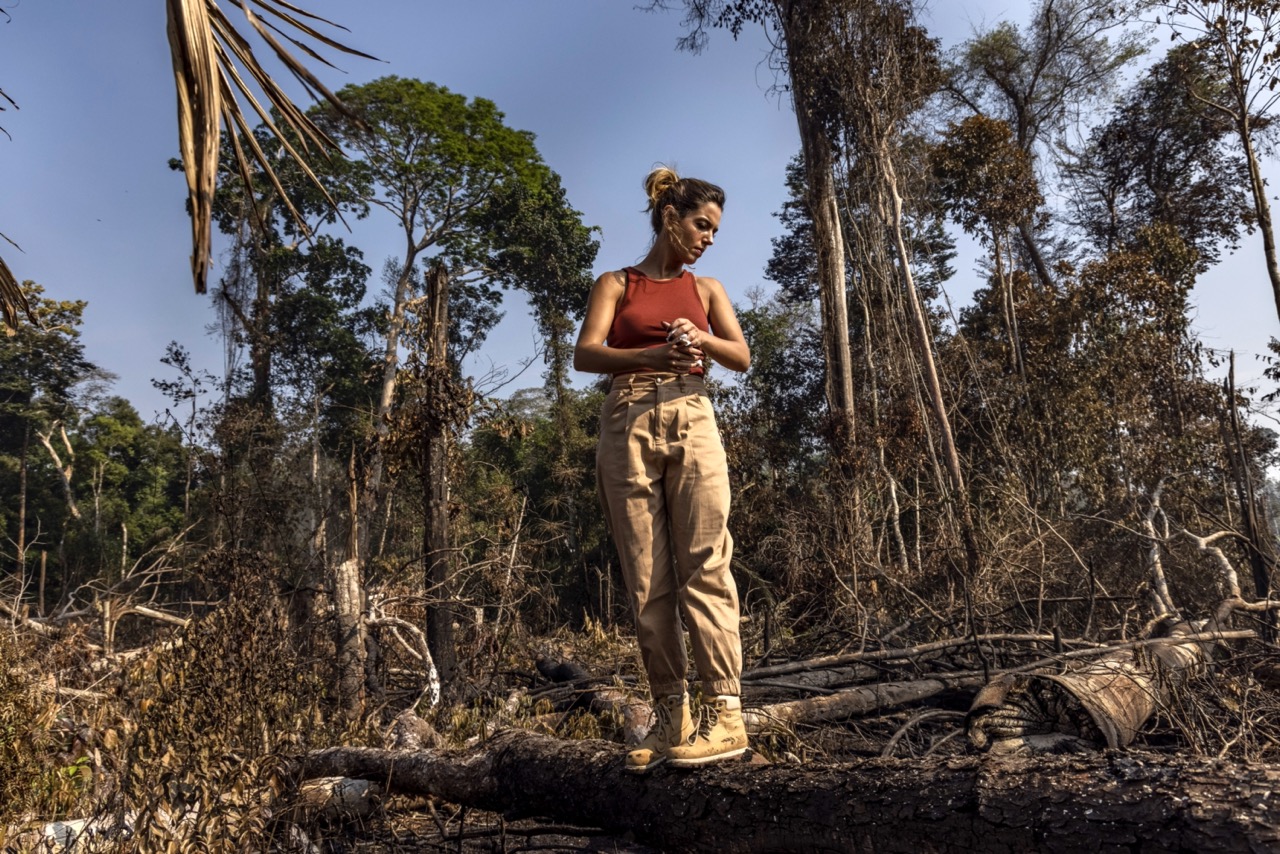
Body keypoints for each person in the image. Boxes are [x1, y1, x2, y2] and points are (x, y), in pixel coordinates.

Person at [573, 166, 751, 771]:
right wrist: (652, 351)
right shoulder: (616, 283)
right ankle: (673, 718)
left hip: (691, 414)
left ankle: (726, 716)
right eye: (701, 224)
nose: (707, 237)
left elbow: (742, 356)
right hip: (627, 421)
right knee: (647, 578)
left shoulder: (706, 291)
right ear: (670, 217)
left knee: (707, 561)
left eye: (715, 231)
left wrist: (696, 340)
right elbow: (585, 353)